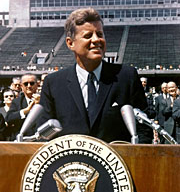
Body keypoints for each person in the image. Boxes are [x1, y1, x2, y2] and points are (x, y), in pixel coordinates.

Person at [38, 8, 152, 143]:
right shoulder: (53, 83)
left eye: (99, 34)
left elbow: (144, 128)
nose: (96, 40)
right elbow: (44, 135)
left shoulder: (126, 77)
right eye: (88, 36)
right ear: (70, 43)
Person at [6, 73, 40, 141]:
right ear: (21, 86)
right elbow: (9, 118)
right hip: (22, 140)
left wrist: (40, 105)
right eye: (26, 84)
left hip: (40, 140)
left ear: (37, 85)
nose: (29, 86)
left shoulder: (45, 100)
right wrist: (26, 110)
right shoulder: (16, 102)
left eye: (32, 83)